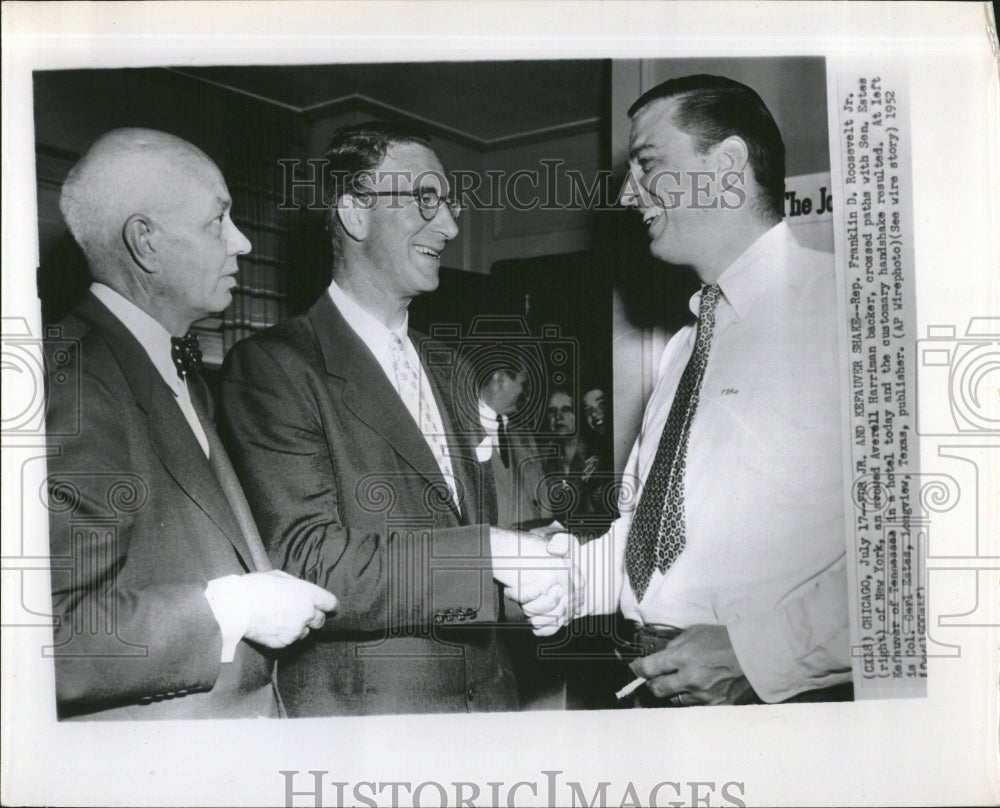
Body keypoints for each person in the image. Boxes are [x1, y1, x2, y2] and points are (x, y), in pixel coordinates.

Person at [218, 122, 577, 716]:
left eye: (450, 205)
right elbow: (312, 559)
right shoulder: (274, 368)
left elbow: (482, 530)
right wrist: (493, 552)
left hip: (490, 716)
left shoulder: (455, 370)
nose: (452, 227)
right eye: (426, 201)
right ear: (355, 215)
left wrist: (545, 554)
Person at [558, 74, 851, 706]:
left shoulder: (853, 315)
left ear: (727, 165)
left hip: (778, 707)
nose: (627, 193)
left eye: (647, 165)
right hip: (652, 693)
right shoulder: (684, 348)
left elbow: (917, 553)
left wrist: (756, 657)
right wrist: (546, 572)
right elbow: (646, 539)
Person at [44, 128, 338, 720]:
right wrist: (232, 609)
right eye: (218, 221)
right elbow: (48, 640)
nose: (244, 242)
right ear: (145, 244)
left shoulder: (177, 367)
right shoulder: (71, 381)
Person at [476, 358, 550, 530]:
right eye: (523, 384)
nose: (526, 394)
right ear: (500, 379)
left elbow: (542, 494)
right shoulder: (458, 426)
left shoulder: (523, 435)